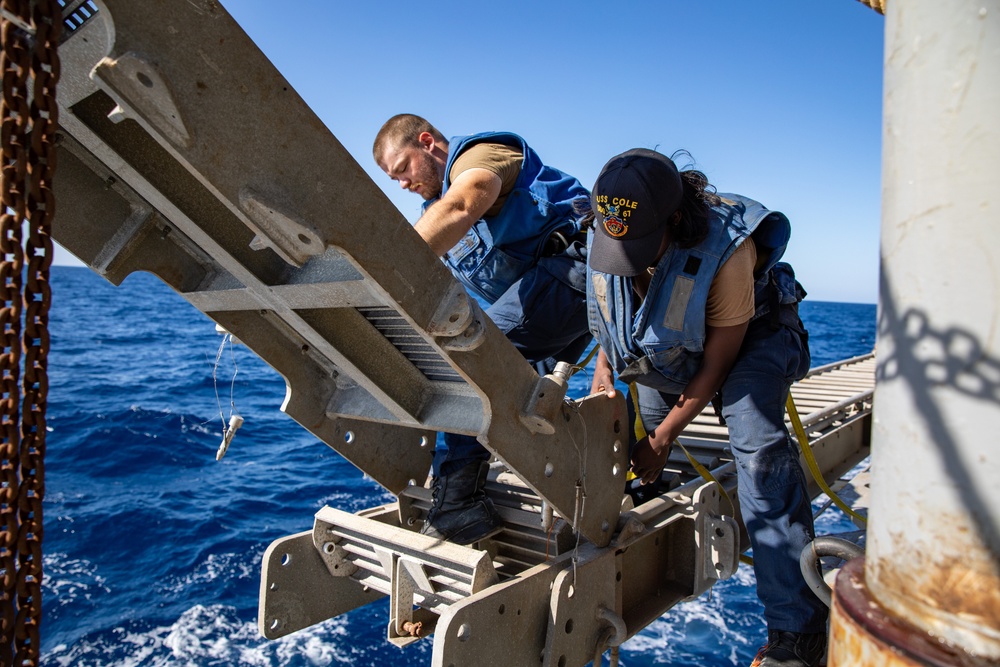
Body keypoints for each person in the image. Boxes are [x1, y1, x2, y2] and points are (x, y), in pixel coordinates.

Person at [586, 148, 827, 667]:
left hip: (753, 336)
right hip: (670, 347)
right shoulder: (610, 227)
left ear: (674, 219)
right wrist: (604, 374)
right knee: (647, 428)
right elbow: (614, 307)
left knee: (758, 453)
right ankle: (654, 489)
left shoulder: (727, 250)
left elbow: (718, 363)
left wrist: (666, 437)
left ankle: (798, 631)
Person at [373, 114, 592, 545]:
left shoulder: (480, 156)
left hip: (573, 273)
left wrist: (382, 279)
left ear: (427, 142)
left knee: (473, 365)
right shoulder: (433, 211)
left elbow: (464, 203)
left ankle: (459, 503)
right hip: (543, 295)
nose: (401, 184)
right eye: (392, 179)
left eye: (403, 170)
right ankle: (568, 482)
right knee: (519, 395)